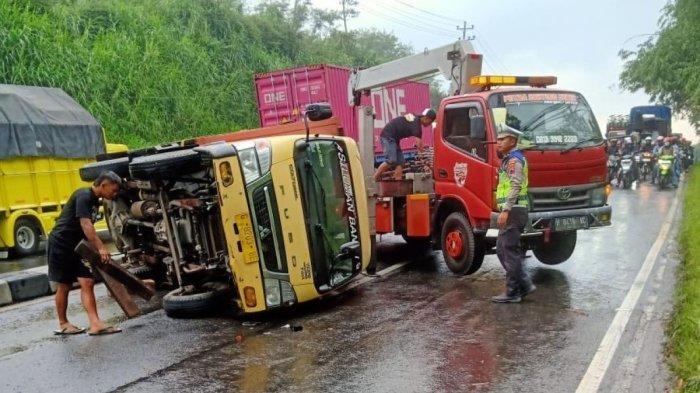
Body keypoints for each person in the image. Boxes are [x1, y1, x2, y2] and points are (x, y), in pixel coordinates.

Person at [48, 171, 123, 336]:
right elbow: (86, 224)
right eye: (113, 190)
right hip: (61, 244)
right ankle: (63, 323)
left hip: (79, 246)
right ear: (103, 185)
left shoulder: (95, 200)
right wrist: (101, 248)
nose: (115, 193)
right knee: (64, 285)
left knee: (87, 282)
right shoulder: (84, 196)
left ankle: (95, 324)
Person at [491, 124, 535, 303]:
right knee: (502, 250)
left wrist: (506, 209)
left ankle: (513, 292)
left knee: (508, 251)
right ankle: (523, 284)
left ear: (513, 141)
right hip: (512, 211)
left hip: (514, 211)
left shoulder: (514, 160)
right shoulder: (509, 159)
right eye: (498, 139)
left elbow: (516, 185)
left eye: (503, 139)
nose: (498, 142)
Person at [374, 108, 436, 181]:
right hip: (388, 136)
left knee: (401, 162)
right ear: (426, 118)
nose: (429, 124)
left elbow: (419, 144)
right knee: (391, 160)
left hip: (395, 139)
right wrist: (424, 159)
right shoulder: (416, 124)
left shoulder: (415, 118)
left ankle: (398, 183)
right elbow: (419, 144)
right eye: (430, 122)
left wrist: (421, 152)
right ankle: (374, 178)